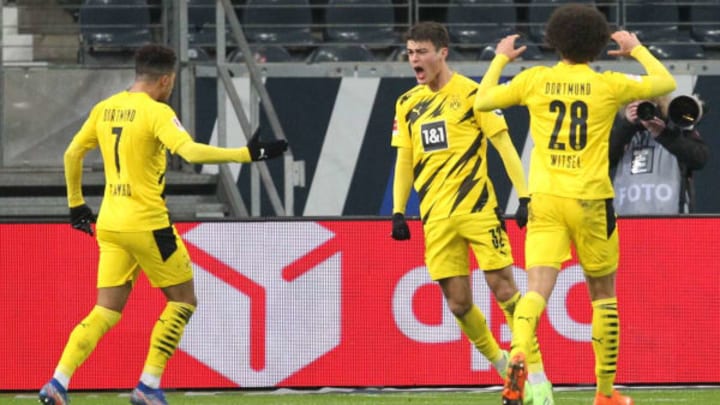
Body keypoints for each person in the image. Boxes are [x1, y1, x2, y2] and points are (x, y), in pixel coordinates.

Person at [38, 44, 288, 405]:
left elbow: (72, 153)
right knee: (183, 301)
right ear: (166, 79)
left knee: (105, 310)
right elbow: (190, 152)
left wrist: (77, 204)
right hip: (148, 224)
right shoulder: (157, 112)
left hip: (109, 223)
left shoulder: (105, 108)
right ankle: (147, 385)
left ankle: (57, 383)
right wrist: (246, 154)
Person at [473, 4, 676, 405]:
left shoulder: (536, 80)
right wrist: (635, 48)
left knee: (535, 290)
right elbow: (664, 80)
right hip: (591, 200)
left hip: (546, 198)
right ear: (600, 44)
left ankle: (517, 358)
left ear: (553, 41)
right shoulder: (609, 84)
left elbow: (483, 101)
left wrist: (499, 58)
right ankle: (604, 393)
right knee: (602, 293)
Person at [390, 21, 553, 404]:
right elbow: (405, 159)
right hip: (436, 218)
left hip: (478, 210)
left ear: (442, 53)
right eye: (411, 52)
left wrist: (525, 196)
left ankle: (540, 381)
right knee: (459, 304)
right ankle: (506, 372)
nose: (415, 59)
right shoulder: (406, 104)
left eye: (422, 52)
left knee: (506, 290)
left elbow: (504, 145)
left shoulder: (473, 95)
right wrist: (399, 210)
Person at [609, 96, 709, 214]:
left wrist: (662, 133)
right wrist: (627, 125)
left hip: (670, 219)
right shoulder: (619, 130)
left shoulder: (676, 128)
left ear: (661, 103)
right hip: (624, 220)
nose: (643, 109)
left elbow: (699, 158)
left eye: (649, 104)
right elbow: (601, 160)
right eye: (635, 103)